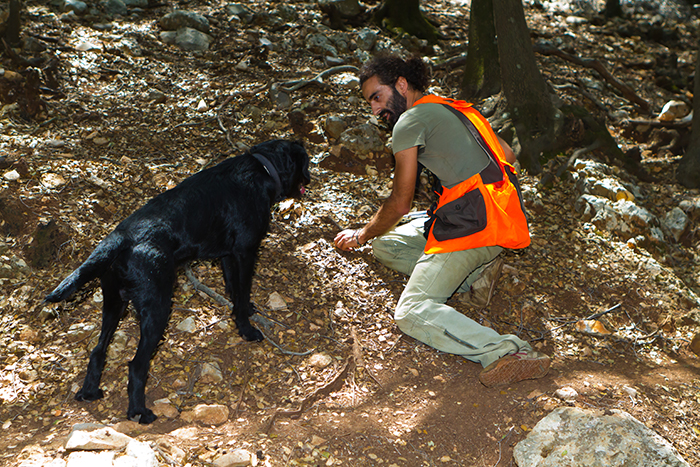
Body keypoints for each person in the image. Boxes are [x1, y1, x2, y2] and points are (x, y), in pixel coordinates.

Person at [334, 54, 550, 387]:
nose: (375, 109)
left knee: (411, 310)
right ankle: (474, 277)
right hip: (500, 218)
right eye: (370, 103)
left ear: (401, 85)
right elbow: (507, 155)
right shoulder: (459, 108)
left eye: (377, 97)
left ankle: (507, 352)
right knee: (386, 245)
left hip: (472, 227)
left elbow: (400, 202)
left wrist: (361, 234)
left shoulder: (408, 122)